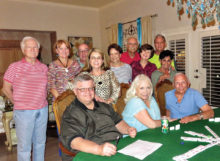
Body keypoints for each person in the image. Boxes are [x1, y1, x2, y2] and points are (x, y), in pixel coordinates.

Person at [60, 74, 137, 161]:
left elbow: (118, 122)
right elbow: (74, 142)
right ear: (75, 91)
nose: (88, 92)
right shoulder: (71, 113)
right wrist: (99, 149)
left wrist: (128, 129)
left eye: (90, 88)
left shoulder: (104, 106)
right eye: (82, 89)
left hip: (115, 145)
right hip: (91, 153)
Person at [2, 36, 48, 161]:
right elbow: (5, 88)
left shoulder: (44, 68)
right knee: (24, 147)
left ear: (39, 50)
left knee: (40, 144)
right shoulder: (14, 67)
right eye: (29, 47)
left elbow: (47, 88)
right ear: (23, 50)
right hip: (24, 112)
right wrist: (16, 102)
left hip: (42, 110)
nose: (33, 49)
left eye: (35, 47)